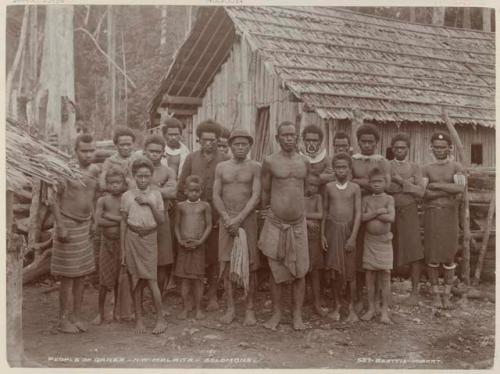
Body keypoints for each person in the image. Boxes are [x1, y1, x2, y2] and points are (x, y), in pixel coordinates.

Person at [258, 121, 310, 331]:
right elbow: (265, 190)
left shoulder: (304, 161)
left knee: (300, 271)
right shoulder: (269, 161)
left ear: (296, 137)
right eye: (285, 135)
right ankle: (277, 313)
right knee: (276, 270)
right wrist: (265, 213)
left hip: (298, 224)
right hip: (275, 223)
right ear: (277, 138)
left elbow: (303, 190)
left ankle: (297, 315)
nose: (289, 138)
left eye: (292, 135)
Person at [178, 120, 230, 311]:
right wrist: (184, 216)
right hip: (193, 219)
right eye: (205, 140)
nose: (209, 143)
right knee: (193, 257)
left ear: (218, 140)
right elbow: (182, 187)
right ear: (199, 140)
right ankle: (191, 297)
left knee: (215, 257)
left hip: (217, 217)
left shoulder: (224, 160)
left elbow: (227, 190)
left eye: (213, 140)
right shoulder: (191, 159)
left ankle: (213, 295)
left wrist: (221, 216)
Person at [51, 134, 100, 333]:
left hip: (85, 226)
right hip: (68, 225)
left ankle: (77, 316)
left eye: (91, 151)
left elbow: (93, 198)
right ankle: (63, 320)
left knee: (82, 274)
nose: (88, 155)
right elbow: (53, 200)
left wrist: (94, 220)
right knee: (68, 276)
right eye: (84, 151)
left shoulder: (95, 170)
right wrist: (60, 225)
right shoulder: (66, 171)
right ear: (75, 151)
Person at [213, 129, 261, 325]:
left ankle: (249, 309)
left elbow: (256, 195)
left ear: (250, 146)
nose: (241, 148)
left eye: (244, 144)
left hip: (247, 220)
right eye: (237, 144)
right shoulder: (221, 167)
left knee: (251, 264)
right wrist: (226, 217)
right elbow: (216, 194)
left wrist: (240, 218)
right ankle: (231, 308)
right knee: (225, 263)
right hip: (226, 220)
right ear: (230, 146)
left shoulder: (255, 167)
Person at [120, 157, 166, 334]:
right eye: (139, 176)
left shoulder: (156, 195)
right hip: (132, 238)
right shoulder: (127, 196)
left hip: (149, 238)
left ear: (151, 176)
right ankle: (139, 319)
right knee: (135, 280)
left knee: (151, 280)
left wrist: (150, 203)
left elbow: (161, 220)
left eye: (147, 176)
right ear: (134, 176)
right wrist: (123, 249)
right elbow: (123, 222)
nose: (143, 179)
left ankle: (160, 319)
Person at [422, 132, 465, 309]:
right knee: (432, 255)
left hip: (450, 216)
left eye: (443, 147)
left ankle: (447, 295)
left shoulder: (456, 167)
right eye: (436, 147)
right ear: (431, 148)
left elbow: (460, 188)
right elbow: (424, 193)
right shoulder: (426, 168)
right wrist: (448, 190)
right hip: (432, 216)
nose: (440, 150)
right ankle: (435, 295)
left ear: (449, 148)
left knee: (449, 256)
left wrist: (437, 186)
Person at [351, 123, 391, 310]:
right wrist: (368, 183)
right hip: (356, 208)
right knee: (358, 253)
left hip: (377, 208)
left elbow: (387, 185)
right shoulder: (353, 160)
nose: (367, 145)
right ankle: (358, 296)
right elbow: (349, 181)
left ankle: (379, 302)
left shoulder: (382, 161)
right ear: (358, 142)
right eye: (363, 141)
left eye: (371, 142)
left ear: (376, 143)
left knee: (378, 261)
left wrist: (362, 183)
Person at [322, 153, 361, 322]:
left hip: (348, 232)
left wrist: (353, 237)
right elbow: (324, 211)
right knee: (334, 271)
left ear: (349, 169)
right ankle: (337, 305)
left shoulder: (355, 188)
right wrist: (323, 234)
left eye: (344, 167)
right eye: (338, 167)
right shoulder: (329, 187)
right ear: (334, 169)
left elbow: (358, 213)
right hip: (332, 231)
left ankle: (351, 308)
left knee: (350, 272)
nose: (341, 170)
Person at [387, 133, 425, 305]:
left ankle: (415, 293)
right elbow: (386, 187)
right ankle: (386, 292)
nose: (399, 151)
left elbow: (420, 192)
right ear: (392, 149)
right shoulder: (387, 165)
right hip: (390, 211)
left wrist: (400, 181)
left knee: (414, 250)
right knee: (387, 248)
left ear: (408, 149)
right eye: (396, 148)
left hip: (409, 211)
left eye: (403, 148)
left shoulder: (415, 167)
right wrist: (408, 185)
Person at [143, 135, 177, 304]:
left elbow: (173, 192)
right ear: (145, 151)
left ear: (163, 153)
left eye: (158, 151)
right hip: (141, 217)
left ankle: (159, 297)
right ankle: (142, 297)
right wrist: (160, 189)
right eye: (151, 151)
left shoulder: (168, 171)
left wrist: (150, 189)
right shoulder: (138, 169)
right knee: (142, 256)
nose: (154, 154)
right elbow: (132, 189)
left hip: (162, 219)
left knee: (163, 259)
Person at [175, 176, 213, 320]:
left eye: (197, 191)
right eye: (191, 190)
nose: (194, 193)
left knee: (198, 279)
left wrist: (201, 241)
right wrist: (180, 241)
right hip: (184, 246)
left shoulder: (205, 206)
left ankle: (198, 309)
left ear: (201, 191)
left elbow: (209, 225)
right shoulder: (181, 206)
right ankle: (185, 308)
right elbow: (177, 226)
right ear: (185, 191)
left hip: (199, 247)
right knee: (185, 280)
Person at [92, 167, 126, 325]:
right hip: (106, 244)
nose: (115, 186)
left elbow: (128, 220)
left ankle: (115, 311)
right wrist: (118, 220)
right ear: (107, 184)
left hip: (122, 243)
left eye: (118, 182)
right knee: (104, 280)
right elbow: (98, 221)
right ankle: (100, 312)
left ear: (123, 183)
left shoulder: (125, 199)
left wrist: (110, 216)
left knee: (119, 278)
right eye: (112, 183)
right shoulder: (103, 200)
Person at [361, 168, 395, 324]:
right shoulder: (366, 199)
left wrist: (374, 214)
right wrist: (377, 213)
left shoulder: (389, 199)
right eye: (373, 181)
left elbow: (391, 218)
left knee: (385, 274)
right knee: (369, 274)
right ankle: (371, 308)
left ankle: (384, 311)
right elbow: (362, 217)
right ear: (369, 183)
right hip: (370, 241)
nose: (376, 184)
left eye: (379, 181)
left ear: (385, 182)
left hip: (384, 241)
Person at [304, 175, 326, 317]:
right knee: (302, 269)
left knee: (315, 271)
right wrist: (306, 221)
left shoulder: (318, 198)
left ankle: (317, 302)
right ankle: (305, 298)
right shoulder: (299, 198)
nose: (312, 188)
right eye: (310, 184)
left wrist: (304, 216)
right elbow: (295, 214)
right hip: (301, 237)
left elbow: (320, 214)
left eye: (315, 185)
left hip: (314, 237)